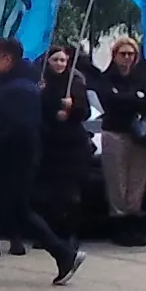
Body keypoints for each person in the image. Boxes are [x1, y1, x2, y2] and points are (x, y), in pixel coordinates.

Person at [0, 38, 82, 286]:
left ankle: (63, 253)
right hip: (14, 160)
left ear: (8, 59)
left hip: (10, 162)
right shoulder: (20, 85)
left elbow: (16, 129)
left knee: (1, 211)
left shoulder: (17, 89)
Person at [87, 37, 146, 247]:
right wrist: (134, 99)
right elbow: (109, 101)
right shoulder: (106, 77)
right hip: (114, 132)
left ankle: (134, 222)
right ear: (115, 55)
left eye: (130, 54)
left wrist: (128, 98)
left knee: (137, 179)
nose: (126, 58)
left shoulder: (142, 76)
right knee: (116, 180)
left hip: (140, 135)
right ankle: (118, 223)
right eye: (123, 54)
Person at [35, 43, 101, 244]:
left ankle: (70, 233)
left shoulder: (75, 82)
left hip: (72, 145)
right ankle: (47, 234)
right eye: (55, 59)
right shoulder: (41, 82)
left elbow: (87, 112)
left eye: (63, 60)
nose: (59, 63)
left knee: (70, 193)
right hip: (49, 143)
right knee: (47, 192)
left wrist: (73, 108)